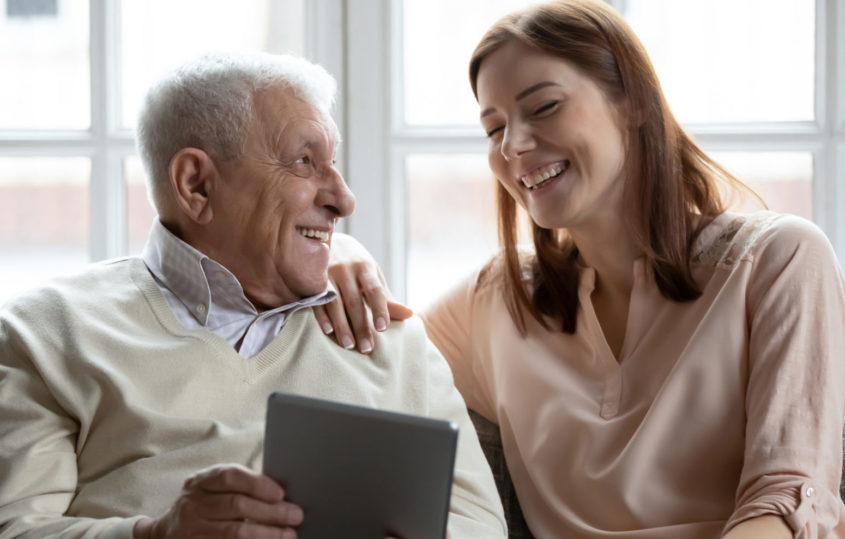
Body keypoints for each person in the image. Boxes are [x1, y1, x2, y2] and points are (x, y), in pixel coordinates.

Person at [315, 1, 845, 537]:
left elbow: (788, 500)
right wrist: (335, 251)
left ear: (631, 101)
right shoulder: (498, 300)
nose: (513, 145)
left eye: (543, 107)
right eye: (493, 128)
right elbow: (353, 375)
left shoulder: (778, 260)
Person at [0, 51, 507, 539]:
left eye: (334, 163)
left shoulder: (389, 336)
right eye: (305, 162)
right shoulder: (45, 332)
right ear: (196, 184)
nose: (343, 198)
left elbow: (479, 524)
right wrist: (157, 535)